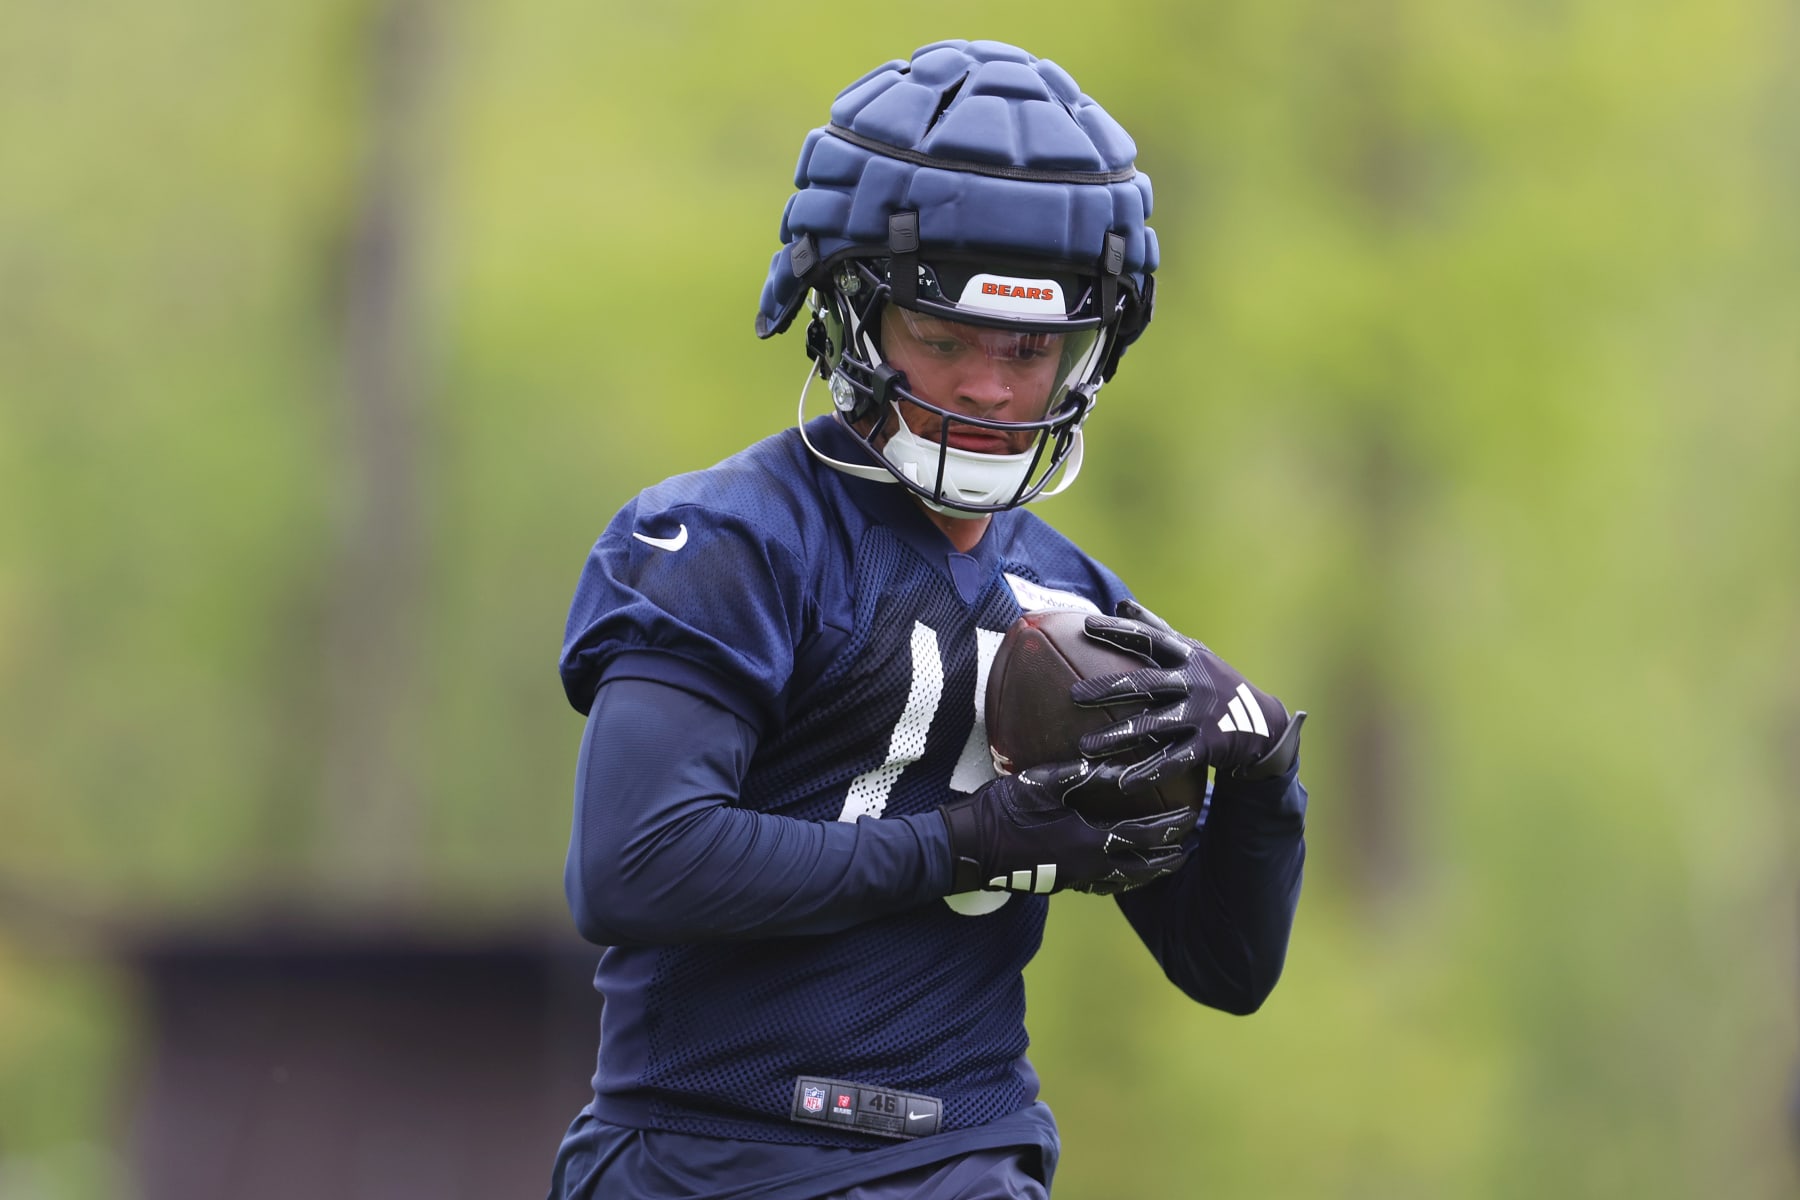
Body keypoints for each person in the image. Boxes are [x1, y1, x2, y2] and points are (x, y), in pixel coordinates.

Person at [546, 39, 1308, 1200]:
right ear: (848, 314)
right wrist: (961, 845)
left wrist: (1264, 777)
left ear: (1087, 351)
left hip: (964, 1160)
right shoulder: (728, 541)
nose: (989, 389)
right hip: (709, 1155)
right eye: (941, 337)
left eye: (1028, 347)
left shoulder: (1077, 608)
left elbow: (1227, 966)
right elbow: (636, 865)